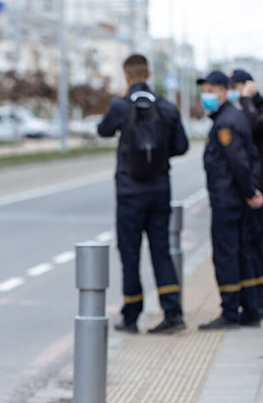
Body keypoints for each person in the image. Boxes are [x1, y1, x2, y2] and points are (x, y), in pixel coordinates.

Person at [97, 53, 189, 334]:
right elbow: (182, 146)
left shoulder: (121, 106)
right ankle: (173, 314)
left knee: (130, 254)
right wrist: (158, 157)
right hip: (160, 190)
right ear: (149, 75)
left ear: (126, 76)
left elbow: (103, 131)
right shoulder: (166, 108)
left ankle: (131, 316)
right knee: (162, 251)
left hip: (129, 192)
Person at [196, 70, 263, 329]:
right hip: (236, 198)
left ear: (224, 92)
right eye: (205, 91)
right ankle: (250, 310)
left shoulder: (226, 122)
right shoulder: (233, 117)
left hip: (228, 199)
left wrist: (249, 192)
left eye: (212, 91)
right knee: (243, 253)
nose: (207, 96)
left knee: (226, 254)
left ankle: (230, 312)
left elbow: (239, 162)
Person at [230, 68, 263, 314]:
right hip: (253, 186)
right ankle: (254, 301)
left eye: (236, 86)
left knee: (255, 244)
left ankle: (256, 303)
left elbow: (253, 127)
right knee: (250, 243)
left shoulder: (253, 108)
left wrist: (247, 99)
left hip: (258, 189)